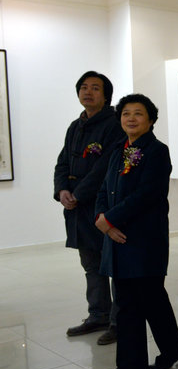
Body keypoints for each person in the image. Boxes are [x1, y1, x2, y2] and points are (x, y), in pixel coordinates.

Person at [95, 94, 178, 369]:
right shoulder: (117, 150)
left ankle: (137, 364)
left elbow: (147, 194)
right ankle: (164, 353)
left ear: (151, 120)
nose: (131, 118)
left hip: (144, 239)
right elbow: (103, 189)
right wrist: (102, 220)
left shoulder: (157, 151)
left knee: (145, 299)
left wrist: (111, 219)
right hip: (117, 237)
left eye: (138, 113)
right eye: (126, 114)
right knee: (133, 301)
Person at [54, 71, 122, 345]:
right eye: (84, 87)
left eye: (95, 88)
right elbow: (62, 162)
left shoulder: (113, 124)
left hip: (101, 206)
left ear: (106, 95)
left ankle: (119, 321)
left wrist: (79, 194)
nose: (88, 92)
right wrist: (61, 190)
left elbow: (105, 165)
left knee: (113, 265)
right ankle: (98, 314)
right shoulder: (75, 125)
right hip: (77, 208)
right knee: (91, 265)